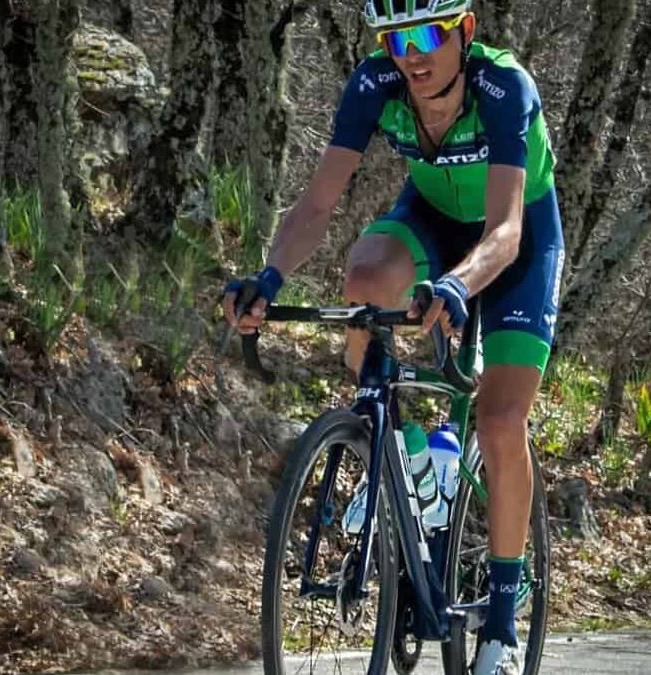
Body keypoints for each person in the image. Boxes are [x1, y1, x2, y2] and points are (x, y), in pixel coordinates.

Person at [224, 1, 564, 672]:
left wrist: (459, 287)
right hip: (432, 218)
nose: (411, 51)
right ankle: (399, 454)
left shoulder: (502, 87)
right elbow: (317, 203)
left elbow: (504, 233)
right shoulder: (373, 84)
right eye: (395, 36)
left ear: (463, 32)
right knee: (365, 279)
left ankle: (499, 615)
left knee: (498, 420)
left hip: (515, 240)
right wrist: (268, 277)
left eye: (428, 33)